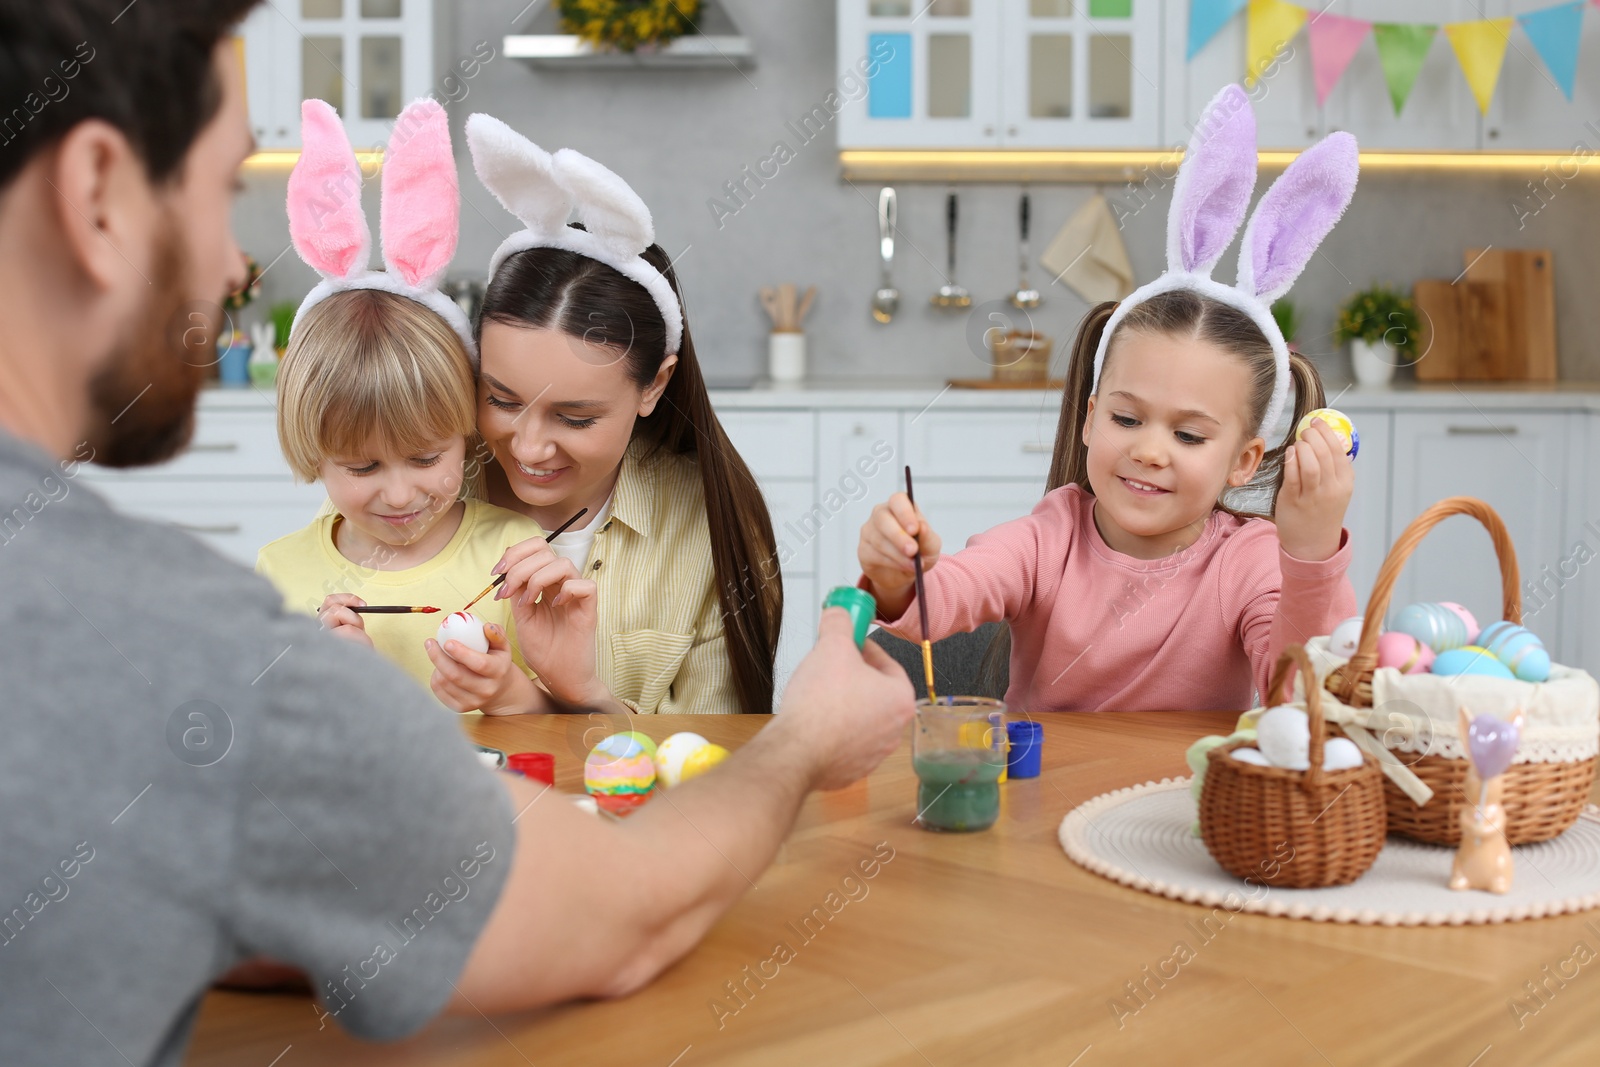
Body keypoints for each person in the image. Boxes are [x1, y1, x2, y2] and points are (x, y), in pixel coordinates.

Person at [0, 5, 915, 1065]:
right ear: (96, 195)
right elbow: (614, 915)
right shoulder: (180, 649)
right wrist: (804, 739)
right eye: (221, 194)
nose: (228, 271)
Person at [858, 85, 1359, 713]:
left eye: (1189, 435)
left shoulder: (1249, 561)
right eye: (1127, 418)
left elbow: (1306, 698)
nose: (1149, 450)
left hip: (1185, 809)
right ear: (1091, 418)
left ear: (1244, 460)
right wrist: (900, 578)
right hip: (1041, 805)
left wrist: (1309, 551)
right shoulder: (1050, 537)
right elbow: (949, 595)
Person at [256, 98, 582, 716]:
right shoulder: (280, 574)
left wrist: (513, 695)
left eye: (426, 456)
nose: (401, 496)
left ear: (466, 431)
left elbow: (560, 738)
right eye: (362, 468)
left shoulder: (514, 554)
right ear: (313, 454)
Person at [450, 114, 783, 716]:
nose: (527, 448)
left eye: (575, 418)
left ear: (654, 385)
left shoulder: (713, 531)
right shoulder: (409, 482)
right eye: (500, 399)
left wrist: (584, 700)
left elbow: (719, 771)